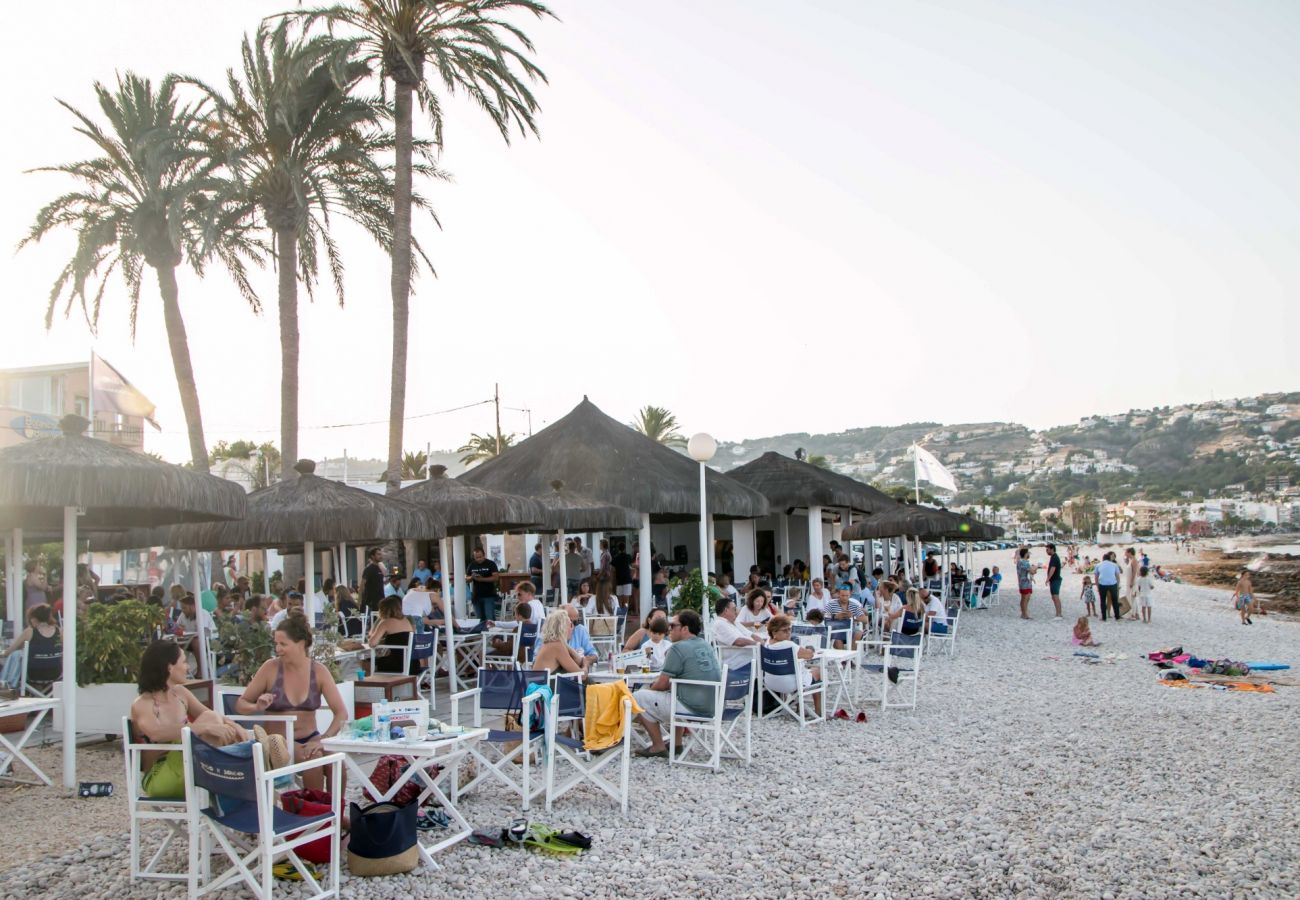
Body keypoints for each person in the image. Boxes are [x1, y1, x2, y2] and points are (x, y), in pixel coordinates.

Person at [236, 615, 348, 790]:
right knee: (313, 760)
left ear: (301, 643)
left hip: (312, 737)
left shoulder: (319, 671)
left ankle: (337, 814)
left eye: (283, 644)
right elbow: (241, 704)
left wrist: (323, 739)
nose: (277, 649)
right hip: (280, 743)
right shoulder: (270, 668)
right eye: (276, 644)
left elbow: (341, 712)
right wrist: (256, 707)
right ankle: (315, 812)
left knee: (337, 761)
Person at [130, 640, 252, 798]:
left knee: (212, 719)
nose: (188, 667)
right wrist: (204, 728)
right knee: (210, 722)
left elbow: (212, 715)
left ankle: (247, 756)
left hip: (190, 768)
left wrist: (236, 726)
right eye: (184, 662)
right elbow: (156, 733)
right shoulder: (143, 704)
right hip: (160, 776)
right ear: (169, 667)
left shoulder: (180, 693)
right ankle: (247, 757)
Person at [632, 610, 720, 759]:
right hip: (713, 705)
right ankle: (676, 744)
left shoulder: (677, 648)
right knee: (675, 693)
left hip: (692, 708)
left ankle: (658, 746)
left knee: (639, 697)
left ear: (685, 629)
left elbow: (662, 684)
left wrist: (650, 690)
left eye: (672, 626)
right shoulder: (705, 644)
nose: (668, 629)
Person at [763, 616, 821, 715]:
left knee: (797, 673)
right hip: (789, 684)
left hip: (770, 683)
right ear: (774, 633)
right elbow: (809, 655)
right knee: (817, 670)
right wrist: (810, 649)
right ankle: (819, 712)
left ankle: (800, 708)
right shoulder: (788, 645)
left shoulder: (767, 644)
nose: (788, 632)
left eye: (789, 629)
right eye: (784, 630)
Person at [1, 604, 60, 690]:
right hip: (55, 674)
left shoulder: (30, 631)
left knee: (17, 655)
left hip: (34, 674)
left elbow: (8, 652)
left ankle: (7, 686)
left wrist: (2, 652)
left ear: (34, 618)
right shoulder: (59, 631)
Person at [368, 596, 416, 673]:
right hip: (412, 664)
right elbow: (399, 639)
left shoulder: (385, 622)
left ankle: (373, 683)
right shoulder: (406, 620)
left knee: (366, 661)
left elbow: (371, 643)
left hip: (398, 665)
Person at [532, 609, 588, 675]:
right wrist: (585, 665)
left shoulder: (553, 643)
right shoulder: (557, 646)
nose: (573, 628)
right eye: (570, 625)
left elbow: (579, 662)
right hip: (549, 685)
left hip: (548, 684)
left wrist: (565, 644)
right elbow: (581, 675)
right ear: (562, 628)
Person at [712, 596, 759, 670]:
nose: (737, 612)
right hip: (739, 663)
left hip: (752, 657)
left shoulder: (734, 621)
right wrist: (758, 645)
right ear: (726, 610)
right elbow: (738, 641)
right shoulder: (720, 624)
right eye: (734, 609)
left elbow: (751, 634)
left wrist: (764, 644)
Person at [467, 546, 500, 621]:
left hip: (489, 595)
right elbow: (467, 579)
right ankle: (481, 631)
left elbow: (496, 577)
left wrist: (482, 579)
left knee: (489, 617)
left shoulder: (490, 564)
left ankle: (491, 632)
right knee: (479, 618)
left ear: (484, 555)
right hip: (476, 595)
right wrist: (472, 577)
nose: (478, 559)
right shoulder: (471, 565)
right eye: (476, 557)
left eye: (480, 557)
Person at [1094, 553, 1123, 622]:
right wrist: (1117, 585)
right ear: (1109, 559)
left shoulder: (1098, 565)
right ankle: (1117, 616)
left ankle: (1104, 617)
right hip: (1112, 583)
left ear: (1103, 559)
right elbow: (1117, 576)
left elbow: (1096, 577)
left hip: (1102, 584)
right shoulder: (1114, 565)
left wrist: (1097, 586)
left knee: (1103, 601)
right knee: (1115, 601)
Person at [361, 548, 385, 614]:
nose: (381, 556)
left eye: (381, 554)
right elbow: (362, 585)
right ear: (372, 556)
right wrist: (360, 602)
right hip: (371, 603)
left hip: (380, 602)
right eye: (378, 554)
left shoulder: (380, 568)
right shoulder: (368, 569)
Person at [1015, 548, 1037, 620]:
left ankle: (1023, 613)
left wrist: (1033, 569)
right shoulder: (1024, 562)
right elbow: (1031, 571)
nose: (1028, 554)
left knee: (1023, 598)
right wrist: (1036, 568)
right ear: (1025, 554)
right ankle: (1025, 614)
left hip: (1021, 582)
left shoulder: (1019, 562)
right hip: (1026, 582)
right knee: (1026, 598)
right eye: (1028, 553)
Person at [611, 542, 634, 609]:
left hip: (619, 580)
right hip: (627, 579)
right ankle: (625, 615)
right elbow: (631, 566)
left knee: (619, 600)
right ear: (625, 548)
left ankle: (620, 614)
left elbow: (613, 570)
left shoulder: (616, 558)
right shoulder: (628, 556)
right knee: (626, 600)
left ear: (618, 549)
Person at [1044, 543, 1063, 618]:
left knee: (1055, 596)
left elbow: (1053, 568)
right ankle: (1058, 613)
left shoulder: (1055, 557)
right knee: (1053, 597)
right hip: (1054, 580)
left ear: (1052, 549)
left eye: (1047, 549)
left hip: (1055, 579)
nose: (1046, 551)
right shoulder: (1053, 557)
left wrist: (1048, 578)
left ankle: (1059, 613)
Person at [1123, 548, 1141, 621]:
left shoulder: (1134, 560)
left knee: (1131, 597)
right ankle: (1136, 614)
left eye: (1126, 552)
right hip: (1129, 580)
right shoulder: (1130, 560)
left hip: (1132, 581)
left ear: (1129, 552)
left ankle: (1132, 614)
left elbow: (1134, 572)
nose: (1125, 554)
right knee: (1131, 597)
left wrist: (1132, 581)